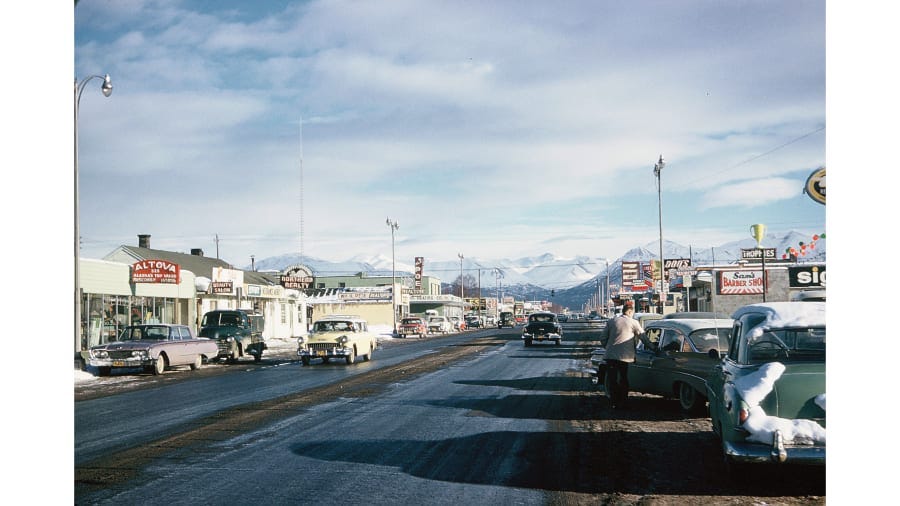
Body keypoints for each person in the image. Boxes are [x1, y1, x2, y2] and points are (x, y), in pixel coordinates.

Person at [602, 301, 646, 409]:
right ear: (630, 311)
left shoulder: (611, 321)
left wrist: (608, 347)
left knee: (612, 379)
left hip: (610, 356)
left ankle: (614, 401)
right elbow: (643, 337)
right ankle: (623, 401)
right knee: (623, 378)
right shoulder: (633, 322)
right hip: (625, 357)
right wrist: (652, 347)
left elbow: (603, 338)